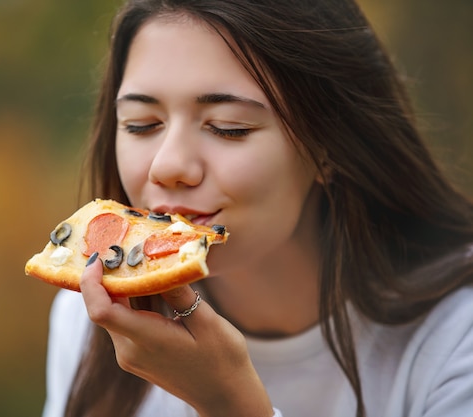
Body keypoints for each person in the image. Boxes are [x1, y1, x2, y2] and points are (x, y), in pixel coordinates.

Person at [42, 1, 473, 416]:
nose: (168, 165)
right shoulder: (93, 316)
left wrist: (229, 404)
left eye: (229, 128)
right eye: (142, 125)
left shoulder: (457, 333)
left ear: (328, 146)